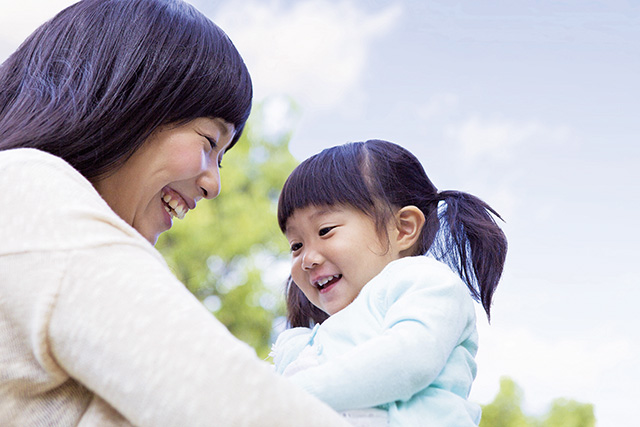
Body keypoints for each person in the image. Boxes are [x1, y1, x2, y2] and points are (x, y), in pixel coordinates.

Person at [0, 0, 351, 425]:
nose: (213, 184)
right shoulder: (33, 194)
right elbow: (240, 403)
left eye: (220, 159)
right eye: (208, 142)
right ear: (129, 99)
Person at [270, 140, 508, 426]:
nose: (307, 259)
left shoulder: (426, 283)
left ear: (403, 228)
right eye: (296, 245)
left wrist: (285, 396)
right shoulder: (308, 341)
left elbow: (408, 360)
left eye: (325, 230)